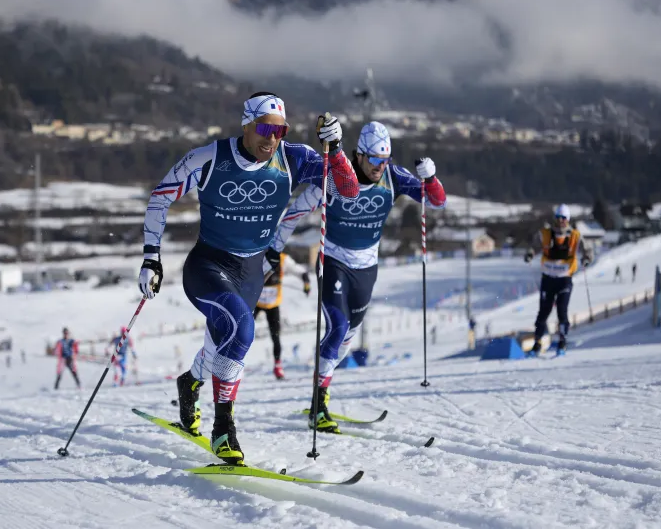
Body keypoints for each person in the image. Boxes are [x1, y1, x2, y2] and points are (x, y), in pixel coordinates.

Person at [137, 92, 359, 464]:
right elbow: (160, 197)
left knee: (220, 345)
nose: (270, 139)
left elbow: (348, 191)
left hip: (251, 271)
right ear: (246, 124)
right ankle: (223, 428)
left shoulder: (294, 158)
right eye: (263, 129)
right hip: (208, 264)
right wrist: (151, 258)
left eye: (279, 131)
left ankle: (189, 382)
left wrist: (335, 150)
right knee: (241, 330)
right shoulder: (209, 158)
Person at [269, 121, 447, 433]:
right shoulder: (336, 176)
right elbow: (295, 212)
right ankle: (319, 402)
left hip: (367, 268)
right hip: (333, 261)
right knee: (337, 328)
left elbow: (436, 201)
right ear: (359, 156)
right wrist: (274, 248)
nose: (380, 166)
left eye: (385, 159)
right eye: (375, 160)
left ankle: (321, 384)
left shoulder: (392, 176)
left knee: (347, 338)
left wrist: (430, 179)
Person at [524, 204, 593, 356]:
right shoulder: (545, 234)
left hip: (564, 279)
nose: (561, 221)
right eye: (558, 217)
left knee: (562, 310)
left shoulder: (575, 235)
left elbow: (587, 249)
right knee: (544, 312)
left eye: (564, 218)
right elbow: (534, 246)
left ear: (568, 219)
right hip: (548, 279)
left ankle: (562, 343)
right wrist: (529, 254)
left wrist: (587, 258)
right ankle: (537, 344)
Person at [254, 252, 311, 380]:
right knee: (242, 331)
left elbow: (300, 271)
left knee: (276, 336)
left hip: (273, 303)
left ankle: (278, 366)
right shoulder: (257, 256)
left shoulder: (283, 259)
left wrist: (306, 282)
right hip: (255, 302)